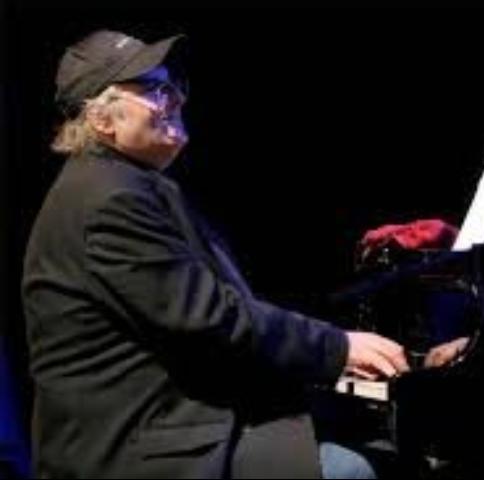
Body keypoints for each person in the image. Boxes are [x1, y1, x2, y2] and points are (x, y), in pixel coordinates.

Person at [21, 30, 409, 479]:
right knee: (354, 468)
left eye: (173, 84)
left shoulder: (122, 184)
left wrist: (326, 354)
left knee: (371, 438)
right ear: (102, 120)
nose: (176, 99)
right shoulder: (109, 199)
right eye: (154, 89)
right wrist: (337, 347)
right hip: (140, 448)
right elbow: (209, 319)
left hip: (174, 422)